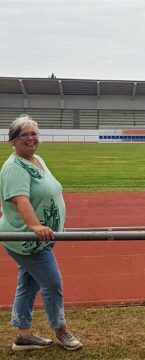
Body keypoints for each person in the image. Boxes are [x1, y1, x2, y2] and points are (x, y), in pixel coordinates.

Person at [0, 114, 82, 351]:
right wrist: (35, 226)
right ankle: (61, 330)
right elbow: (20, 199)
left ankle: (24, 336)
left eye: (34, 133)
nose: (30, 138)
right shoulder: (14, 167)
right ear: (13, 140)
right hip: (27, 240)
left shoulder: (37, 160)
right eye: (23, 135)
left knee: (28, 283)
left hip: (41, 237)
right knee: (52, 283)